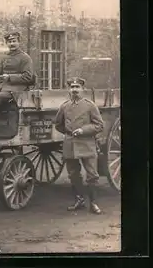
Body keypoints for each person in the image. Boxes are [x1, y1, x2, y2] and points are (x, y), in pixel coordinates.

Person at [54, 77, 105, 214]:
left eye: (77, 87)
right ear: (69, 90)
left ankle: (93, 203)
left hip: (87, 144)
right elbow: (58, 124)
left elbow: (99, 125)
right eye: (72, 87)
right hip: (70, 144)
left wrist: (83, 130)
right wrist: (69, 133)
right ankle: (79, 200)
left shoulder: (90, 105)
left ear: (83, 89)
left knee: (92, 175)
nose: (75, 90)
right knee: (73, 174)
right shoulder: (64, 106)